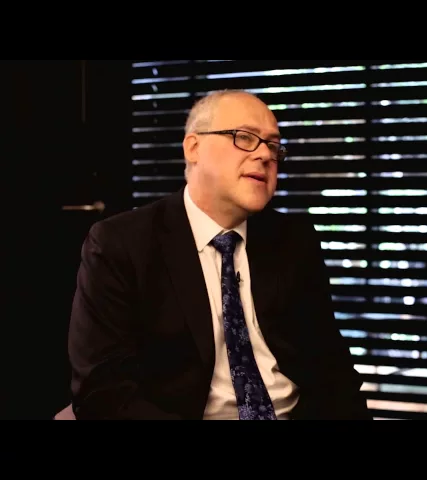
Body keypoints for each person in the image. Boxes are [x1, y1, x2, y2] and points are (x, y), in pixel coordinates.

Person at [67, 89, 372, 420]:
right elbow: (104, 392)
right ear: (193, 148)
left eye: (273, 145)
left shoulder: (293, 240)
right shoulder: (121, 244)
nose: (265, 155)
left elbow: (333, 372)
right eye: (244, 137)